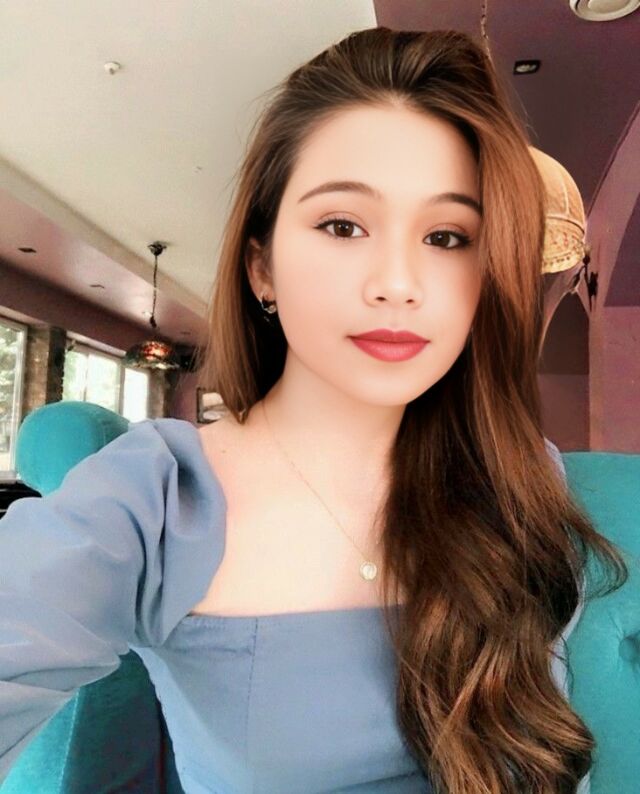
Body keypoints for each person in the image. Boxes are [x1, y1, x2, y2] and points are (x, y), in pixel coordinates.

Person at [0, 26, 627, 794]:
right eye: (343, 225)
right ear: (262, 266)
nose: (398, 283)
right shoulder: (157, 501)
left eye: (446, 236)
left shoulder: (520, 473)